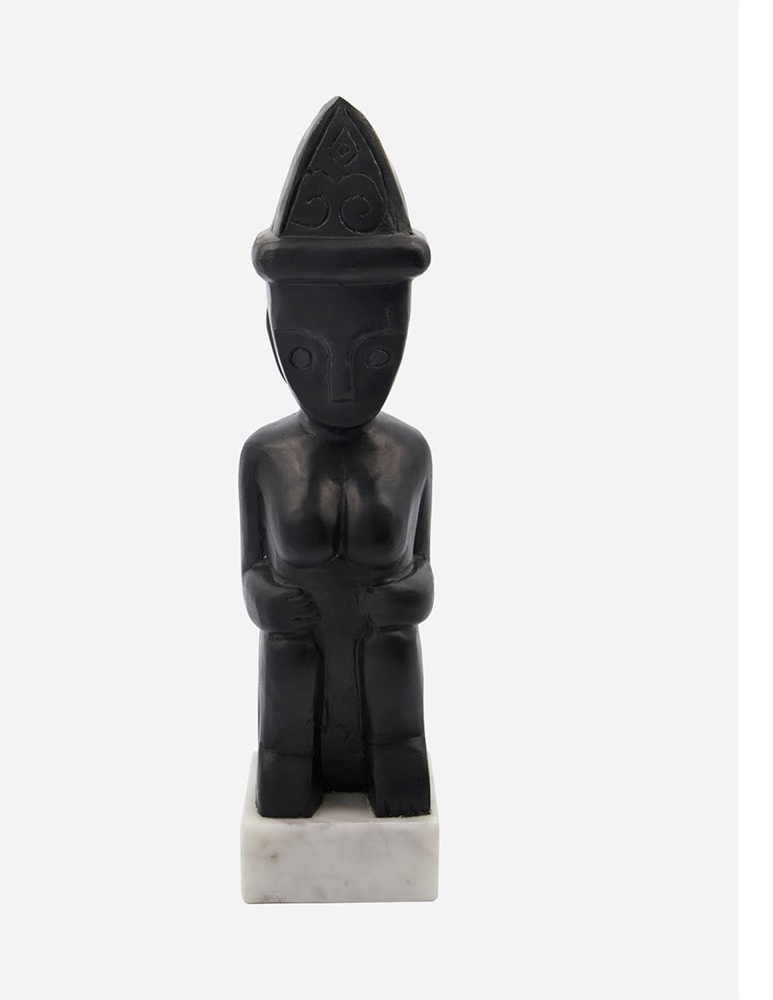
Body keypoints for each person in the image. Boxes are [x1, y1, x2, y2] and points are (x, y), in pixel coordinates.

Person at [241, 98, 434, 818]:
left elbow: (424, 564)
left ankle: (395, 782)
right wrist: (267, 601)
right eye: (307, 356)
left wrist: (410, 597)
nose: (344, 387)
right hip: (297, 655)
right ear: (272, 335)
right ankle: (291, 785)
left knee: (396, 719)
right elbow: (251, 568)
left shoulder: (410, 451)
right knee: (288, 738)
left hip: (384, 655)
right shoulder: (265, 455)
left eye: (374, 355)